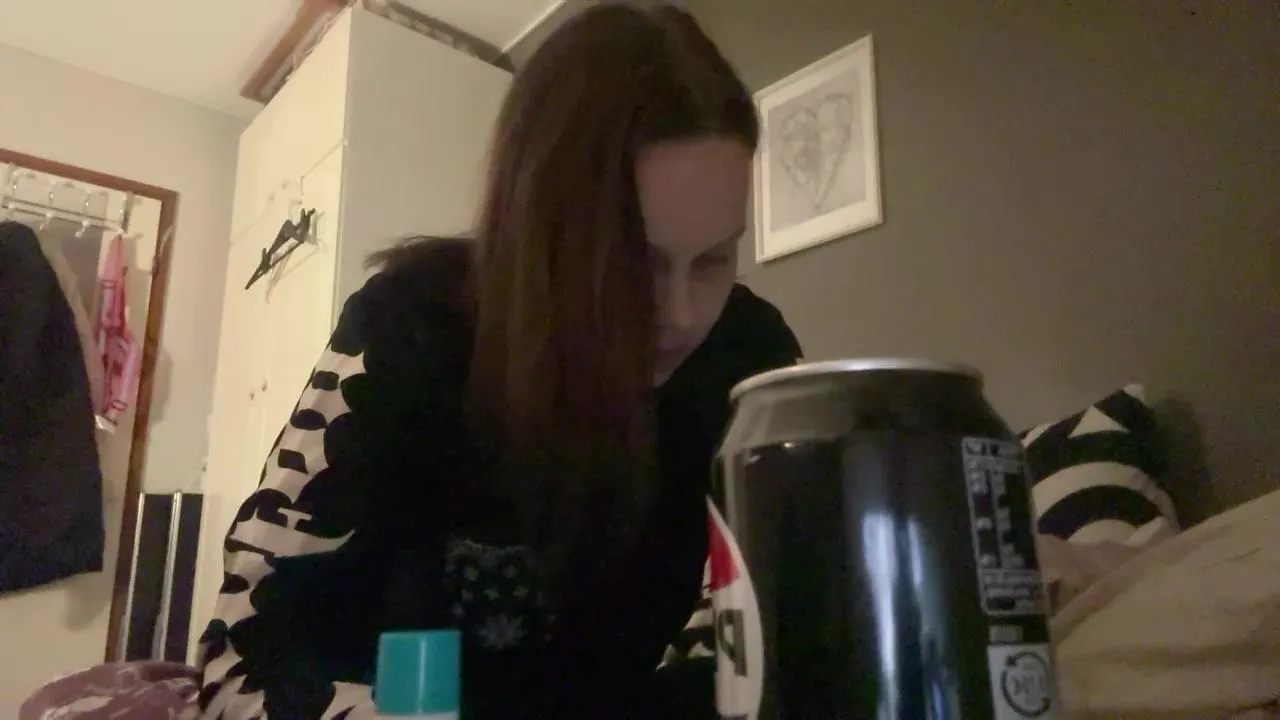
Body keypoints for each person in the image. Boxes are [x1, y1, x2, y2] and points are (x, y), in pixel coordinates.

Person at [195, 5, 801, 719]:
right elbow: (242, 652)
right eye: (629, 263)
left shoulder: (754, 363)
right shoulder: (410, 323)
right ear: (534, 229)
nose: (680, 313)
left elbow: (779, 631)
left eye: (715, 259)